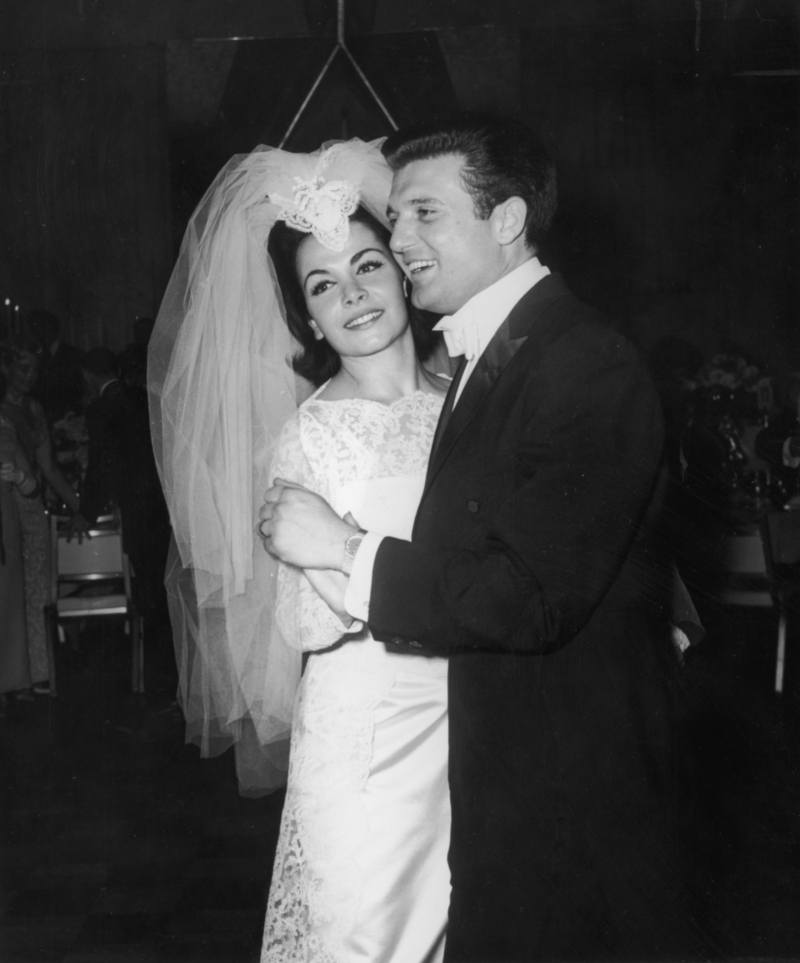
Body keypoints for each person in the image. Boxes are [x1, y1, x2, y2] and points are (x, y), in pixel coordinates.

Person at [261, 115, 722, 961]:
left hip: (525, 756)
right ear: (309, 321)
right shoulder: (492, 360)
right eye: (392, 222)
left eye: (419, 218)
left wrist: (342, 546)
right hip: (408, 742)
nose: (397, 247)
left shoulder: (572, 359)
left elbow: (530, 586)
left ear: (505, 220)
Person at [148, 140, 451, 962]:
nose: (351, 295)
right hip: (369, 736)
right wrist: (324, 552)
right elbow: (302, 624)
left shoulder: (464, 402)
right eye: (323, 286)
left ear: (404, 270)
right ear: (306, 316)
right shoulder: (309, 435)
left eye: (367, 266)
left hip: (472, 720)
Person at [1, 337, 90, 695]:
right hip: (6, 507)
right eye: (22, 369)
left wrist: (82, 507)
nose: (29, 376)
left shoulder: (35, 410)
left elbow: (49, 468)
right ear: (6, 369)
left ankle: (38, 673)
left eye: (34, 370)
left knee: (38, 588)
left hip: (32, 509)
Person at [0, 405, 38, 714]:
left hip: (5, 525)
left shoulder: (7, 429)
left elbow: (31, 486)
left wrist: (19, 476)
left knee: (9, 603)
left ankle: (12, 681)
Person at [25, 309, 84, 421]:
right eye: (35, 328)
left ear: (53, 328)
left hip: (68, 416)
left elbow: (78, 388)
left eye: (42, 326)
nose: (38, 332)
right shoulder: (33, 354)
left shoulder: (73, 354)